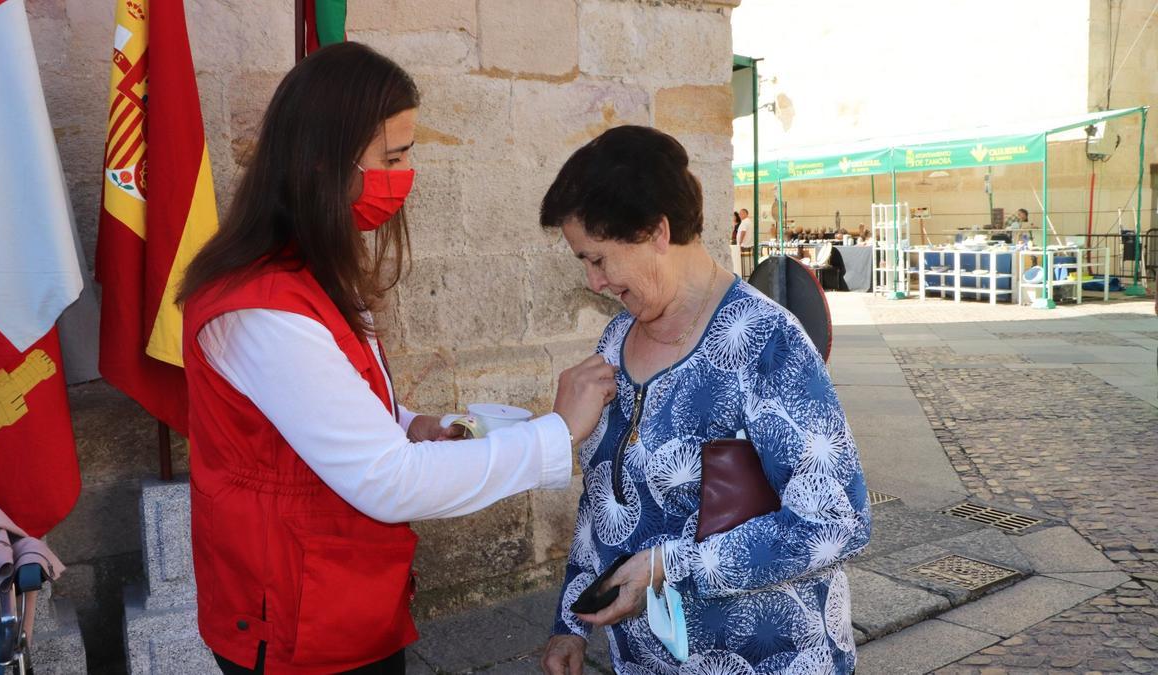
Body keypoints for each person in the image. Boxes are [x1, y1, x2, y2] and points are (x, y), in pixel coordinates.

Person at [175, 43, 616, 675]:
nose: (406, 174)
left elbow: (330, 401)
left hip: (343, 595)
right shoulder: (264, 309)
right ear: (324, 160)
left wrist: (409, 423)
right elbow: (387, 482)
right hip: (297, 619)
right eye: (393, 157)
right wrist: (557, 432)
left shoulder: (309, 269)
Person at [537, 126, 871, 673]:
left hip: (769, 660)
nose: (594, 282)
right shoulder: (615, 341)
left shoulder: (766, 341)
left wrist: (672, 566)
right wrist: (570, 624)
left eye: (599, 259)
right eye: (583, 262)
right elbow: (602, 497)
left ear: (656, 232)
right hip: (646, 661)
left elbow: (838, 520)